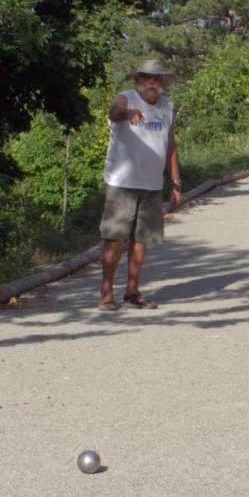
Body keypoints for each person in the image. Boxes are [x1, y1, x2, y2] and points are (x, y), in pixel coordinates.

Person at [98, 58, 181, 310]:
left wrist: (176, 183)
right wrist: (127, 114)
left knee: (141, 240)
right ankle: (106, 293)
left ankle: (132, 291)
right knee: (115, 238)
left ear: (163, 82)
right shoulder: (126, 99)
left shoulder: (167, 106)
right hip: (122, 182)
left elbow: (170, 146)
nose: (152, 83)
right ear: (137, 80)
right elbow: (114, 112)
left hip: (152, 184)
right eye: (146, 78)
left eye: (157, 79)